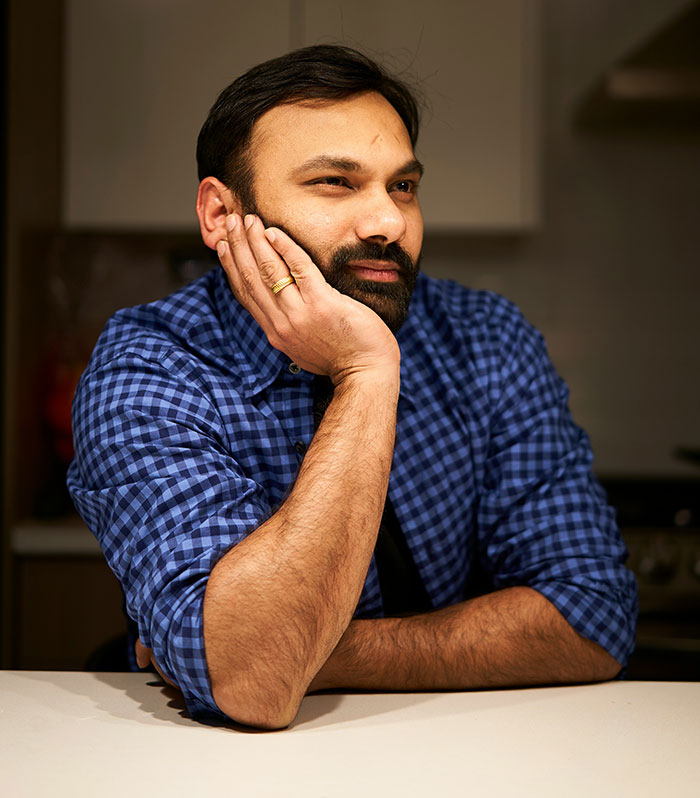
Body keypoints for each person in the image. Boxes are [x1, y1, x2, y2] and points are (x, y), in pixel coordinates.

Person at [68, 45, 637, 729]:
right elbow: (254, 687)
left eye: (403, 186)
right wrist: (367, 377)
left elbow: (594, 615)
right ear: (220, 214)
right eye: (336, 182)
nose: (389, 222)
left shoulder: (485, 336)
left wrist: (319, 655)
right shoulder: (152, 365)